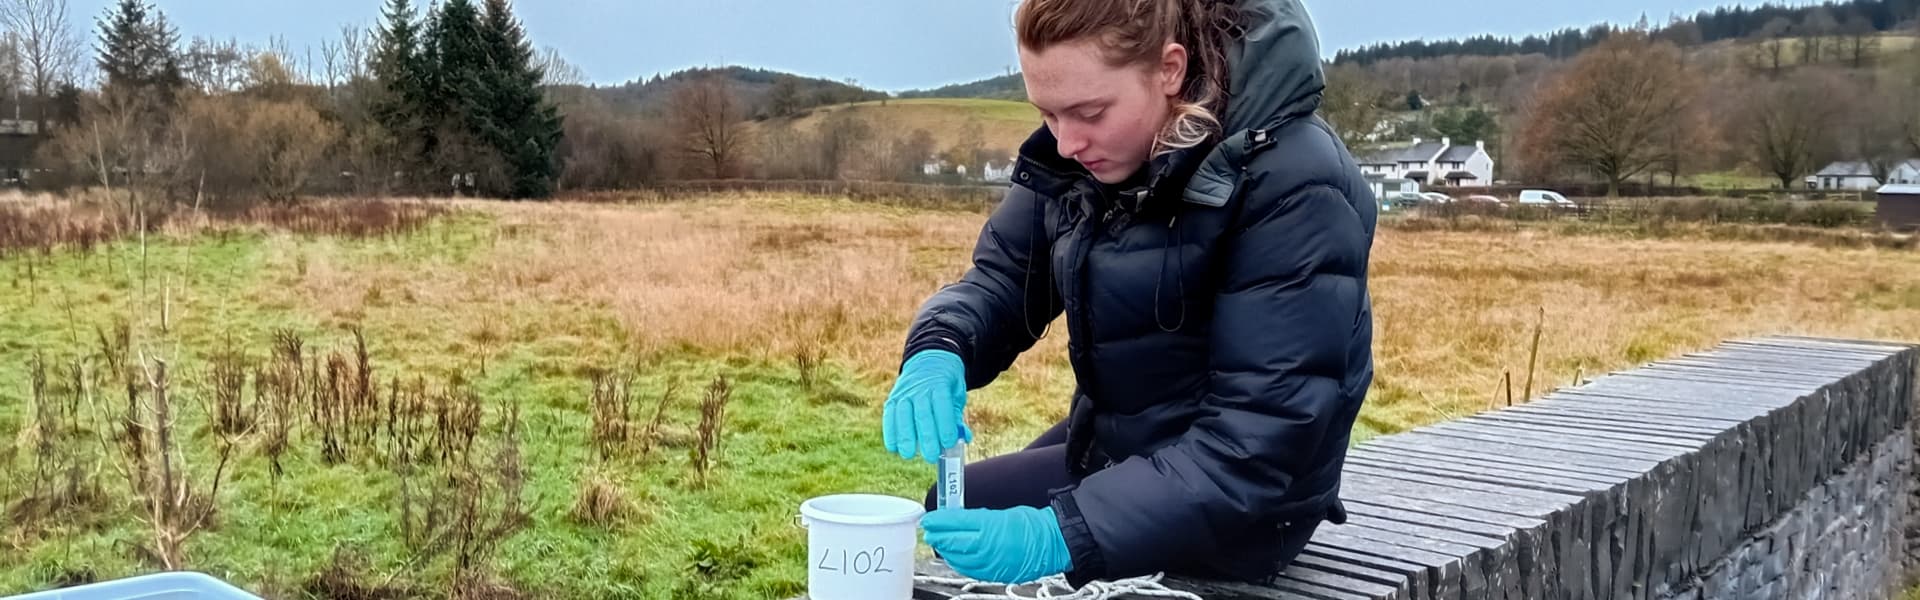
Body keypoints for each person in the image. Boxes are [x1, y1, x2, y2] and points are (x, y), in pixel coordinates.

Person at [880, 0, 1377, 588]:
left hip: (1247, 506)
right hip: (1122, 446)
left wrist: (1062, 535)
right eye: (1048, 114)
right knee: (954, 508)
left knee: (1017, 541)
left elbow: (1260, 441)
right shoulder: (1084, 158)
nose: (1065, 143)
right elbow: (1005, 277)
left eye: (1088, 112)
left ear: (1169, 69)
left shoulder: (1294, 183)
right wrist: (940, 347)